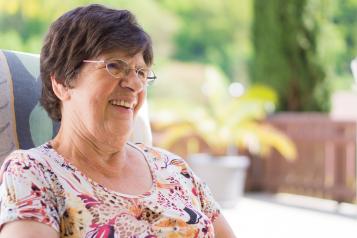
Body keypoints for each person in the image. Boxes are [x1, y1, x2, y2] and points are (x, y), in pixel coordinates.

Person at [0, 4, 235, 238]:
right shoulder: (34, 173)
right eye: (115, 66)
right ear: (62, 82)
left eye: (141, 72)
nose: (135, 84)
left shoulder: (173, 168)